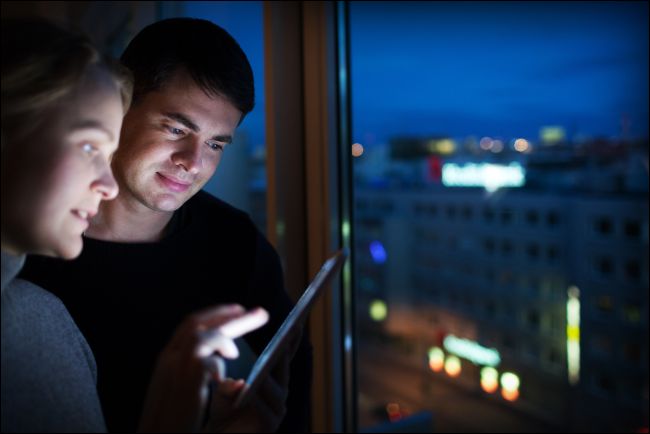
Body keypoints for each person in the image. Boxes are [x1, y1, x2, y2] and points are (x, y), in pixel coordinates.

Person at [20, 17, 313, 433]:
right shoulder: (33, 236)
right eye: (176, 129)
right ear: (120, 106)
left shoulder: (234, 243)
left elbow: (292, 383)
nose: (193, 162)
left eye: (215, 144)